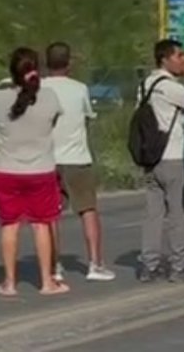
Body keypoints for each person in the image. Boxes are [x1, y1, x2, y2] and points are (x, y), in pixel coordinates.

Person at [0, 47, 68, 298]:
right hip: (40, 169)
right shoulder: (50, 97)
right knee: (41, 224)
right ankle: (47, 281)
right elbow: (53, 123)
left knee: (9, 225)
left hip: (4, 168)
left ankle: (9, 283)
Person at [42, 42, 116, 283]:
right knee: (88, 210)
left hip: (47, 158)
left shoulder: (39, 88)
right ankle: (95, 263)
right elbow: (87, 117)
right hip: (77, 157)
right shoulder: (79, 88)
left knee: (50, 214)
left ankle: (54, 264)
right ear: (69, 63)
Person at [136, 39, 184, 283]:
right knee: (178, 212)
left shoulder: (145, 85)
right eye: (178, 56)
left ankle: (149, 264)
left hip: (151, 157)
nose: (182, 60)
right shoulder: (170, 87)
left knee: (153, 214)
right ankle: (180, 265)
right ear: (164, 59)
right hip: (173, 156)